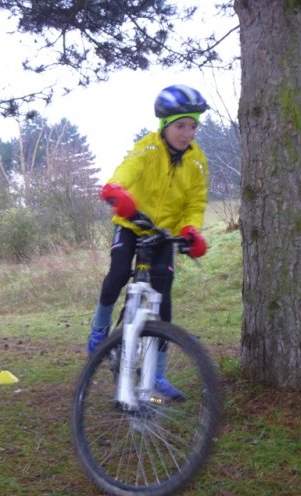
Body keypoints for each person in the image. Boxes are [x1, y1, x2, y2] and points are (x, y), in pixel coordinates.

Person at [87, 84, 210, 401]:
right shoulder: (147, 148)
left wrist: (192, 231)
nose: (188, 133)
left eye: (193, 126)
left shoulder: (198, 162)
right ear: (165, 125)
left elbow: (195, 204)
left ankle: (157, 375)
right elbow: (127, 170)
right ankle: (99, 331)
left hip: (163, 234)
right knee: (116, 276)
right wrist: (117, 190)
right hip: (131, 223)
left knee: (163, 303)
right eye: (181, 125)